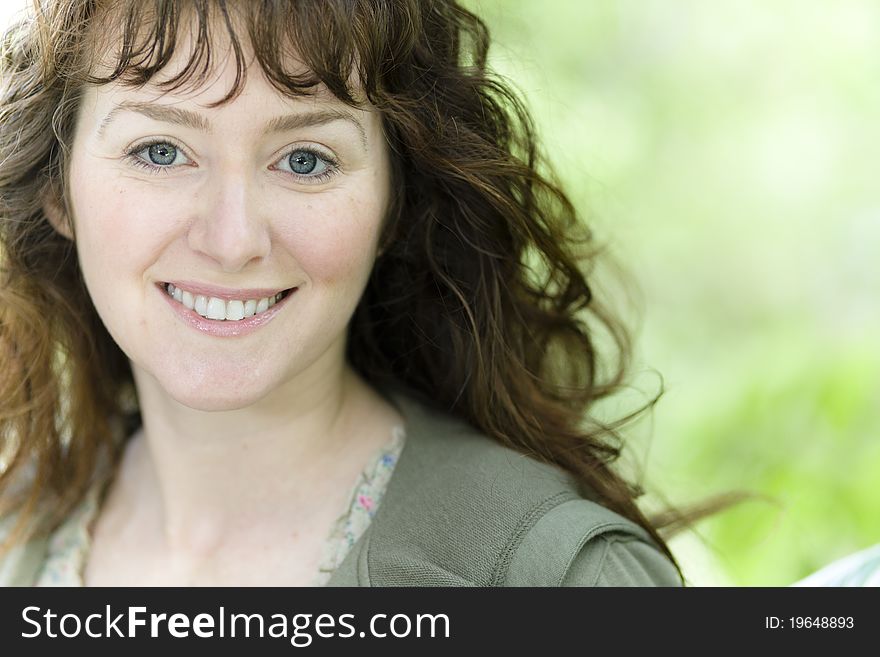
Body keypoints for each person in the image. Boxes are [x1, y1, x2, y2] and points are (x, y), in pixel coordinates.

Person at [0, 0, 685, 587]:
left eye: (305, 160)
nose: (234, 239)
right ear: (59, 187)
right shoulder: (16, 530)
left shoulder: (557, 582)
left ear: (393, 204)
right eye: (160, 150)